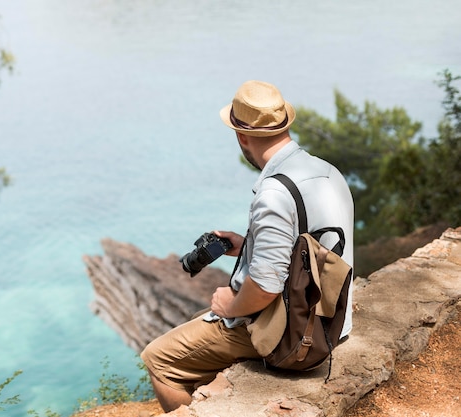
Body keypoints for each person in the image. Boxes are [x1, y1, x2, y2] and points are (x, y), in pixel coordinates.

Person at [140, 80, 354, 412]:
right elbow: (312, 248)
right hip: (332, 321)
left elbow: (266, 287)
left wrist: (231, 305)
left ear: (241, 136)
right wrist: (247, 246)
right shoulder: (328, 173)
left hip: (292, 334)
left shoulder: (273, 194)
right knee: (199, 321)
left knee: (159, 359)